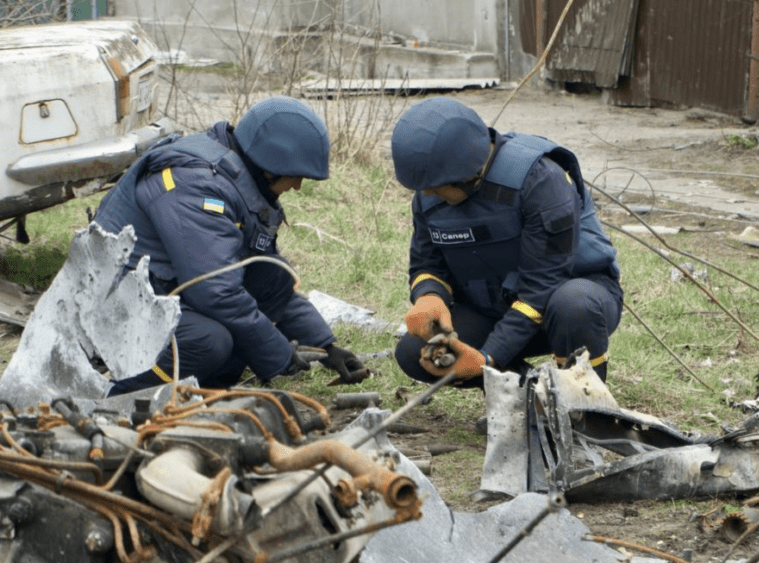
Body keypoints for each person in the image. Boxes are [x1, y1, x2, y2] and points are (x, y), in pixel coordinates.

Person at [94, 96, 364, 395]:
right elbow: (216, 292)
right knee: (208, 340)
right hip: (115, 305)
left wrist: (327, 347)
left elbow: (262, 277)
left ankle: (204, 389)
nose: (298, 186)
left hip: (159, 287)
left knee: (274, 274)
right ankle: (115, 393)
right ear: (269, 164)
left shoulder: (234, 177)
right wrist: (279, 355)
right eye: (295, 175)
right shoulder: (195, 186)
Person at [392, 97, 623, 388]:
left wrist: (488, 357)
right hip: (495, 307)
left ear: (468, 173)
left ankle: (582, 399)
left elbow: (542, 287)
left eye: (436, 188)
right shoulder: (433, 188)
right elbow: (427, 263)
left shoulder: (540, 180)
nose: (428, 194)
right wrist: (429, 296)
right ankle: (521, 390)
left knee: (574, 305)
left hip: (564, 303)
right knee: (415, 354)